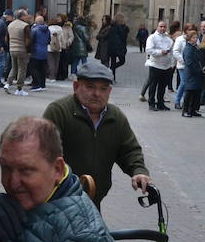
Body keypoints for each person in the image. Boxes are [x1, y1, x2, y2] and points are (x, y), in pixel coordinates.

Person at [42, 60, 153, 206]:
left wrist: (139, 171)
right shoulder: (59, 111)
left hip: (95, 198)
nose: (97, 94)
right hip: (59, 199)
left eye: (103, 89)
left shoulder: (115, 116)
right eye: (90, 87)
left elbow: (129, 150)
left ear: (109, 91)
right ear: (76, 86)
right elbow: (44, 154)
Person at [144, 20, 175, 111]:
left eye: (164, 26)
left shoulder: (168, 39)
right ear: (157, 27)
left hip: (166, 66)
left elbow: (172, 52)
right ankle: (151, 103)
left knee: (162, 86)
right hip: (155, 65)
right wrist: (160, 52)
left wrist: (172, 63)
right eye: (161, 26)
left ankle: (160, 103)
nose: (162, 28)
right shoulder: (152, 37)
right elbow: (149, 50)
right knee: (153, 85)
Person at [177, 27, 203, 117]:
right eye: (193, 37)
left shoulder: (195, 47)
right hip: (191, 73)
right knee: (189, 93)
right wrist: (198, 70)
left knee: (195, 93)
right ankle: (185, 110)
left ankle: (192, 110)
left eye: (196, 37)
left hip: (196, 73)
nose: (196, 39)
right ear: (189, 38)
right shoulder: (188, 48)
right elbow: (189, 62)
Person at [5, 8, 31, 93]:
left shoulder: (10, 25)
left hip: (12, 48)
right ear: (22, 16)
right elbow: (28, 40)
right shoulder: (25, 26)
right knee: (22, 69)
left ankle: (8, 84)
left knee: (14, 67)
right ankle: (19, 88)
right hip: (22, 49)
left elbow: (6, 38)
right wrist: (28, 51)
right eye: (26, 15)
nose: (28, 16)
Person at [28, 12, 52, 91]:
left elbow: (31, 40)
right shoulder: (47, 30)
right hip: (44, 51)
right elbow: (49, 40)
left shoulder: (34, 30)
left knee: (34, 68)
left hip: (35, 51)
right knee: (42, 69)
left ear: (36, 21)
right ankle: (42, 84)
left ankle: (36, 84)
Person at [104, 13, 130, 81]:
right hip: (119, 47)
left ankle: (112, 77)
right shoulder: (120, 27)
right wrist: (126, 29)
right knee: (122, 61)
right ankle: (111, 69)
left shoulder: (112, 26)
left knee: (113, 61)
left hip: (112, 47)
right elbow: (123, 37)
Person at [0, 9, 13, 88]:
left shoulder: (0, 22)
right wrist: (1, 46)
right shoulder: (1, 23)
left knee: (0, 64)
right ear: (9, 16)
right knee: (0, 64)